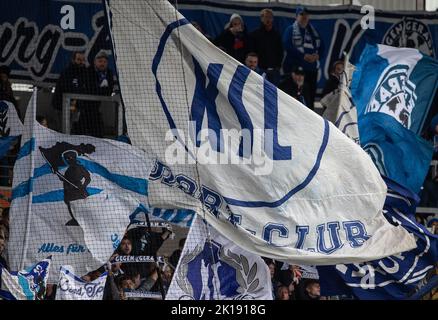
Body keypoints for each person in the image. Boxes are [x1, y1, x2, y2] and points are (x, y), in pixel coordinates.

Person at [282, 6, 323, 109]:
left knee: (310, 98)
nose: (304, 17)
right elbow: (287, 45)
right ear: (296, 16)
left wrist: (317, 56)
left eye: (306, 15)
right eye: (302, 14)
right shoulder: (291, 29)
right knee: (293, 97)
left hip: (311, 71)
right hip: (296, 70)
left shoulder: (314, 31)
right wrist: (303, 56)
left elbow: (322, 46)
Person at [76, 50, 115, 138]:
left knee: (97, 134)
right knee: (81, 133)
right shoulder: (88, 71)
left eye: (104, 62)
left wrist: (100, 89)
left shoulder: (109, 73)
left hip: (98, 107)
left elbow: (109, 91)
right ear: (95, 62)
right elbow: (90, 89)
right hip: (84, 107)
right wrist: (101, 89)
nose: (102, 64)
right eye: (100, 61)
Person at [51, 52, 87, 130]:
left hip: (75, 108)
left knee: (71, 130)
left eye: (83, 60)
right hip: (61, 107)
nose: (81, 62)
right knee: (63, 131)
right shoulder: (67, 72)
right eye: (78, 59)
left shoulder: (85, 73)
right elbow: (67, 88)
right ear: (73, 60)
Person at [248, 9, 283, 86]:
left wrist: (278, 66)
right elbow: (252, 52)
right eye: (266, 17)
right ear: (261, 18)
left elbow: (280, 52)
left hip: (274, 72)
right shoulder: (254, 35)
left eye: (270, 17)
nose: (268, 19)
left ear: (273, 19)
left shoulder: (277, 35)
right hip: (259, 70)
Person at [61, 150, 91, 226]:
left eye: (70, 158)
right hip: (69, 192)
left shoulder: (80, 168)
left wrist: (83, 186)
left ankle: (81, 219)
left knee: (79, 205)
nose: (68, 160)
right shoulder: (68, 170)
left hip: (78, 192)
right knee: (70, 205)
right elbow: (65, 179)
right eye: (67, 159)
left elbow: (88, 178)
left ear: (74, 158)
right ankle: (74, 219)